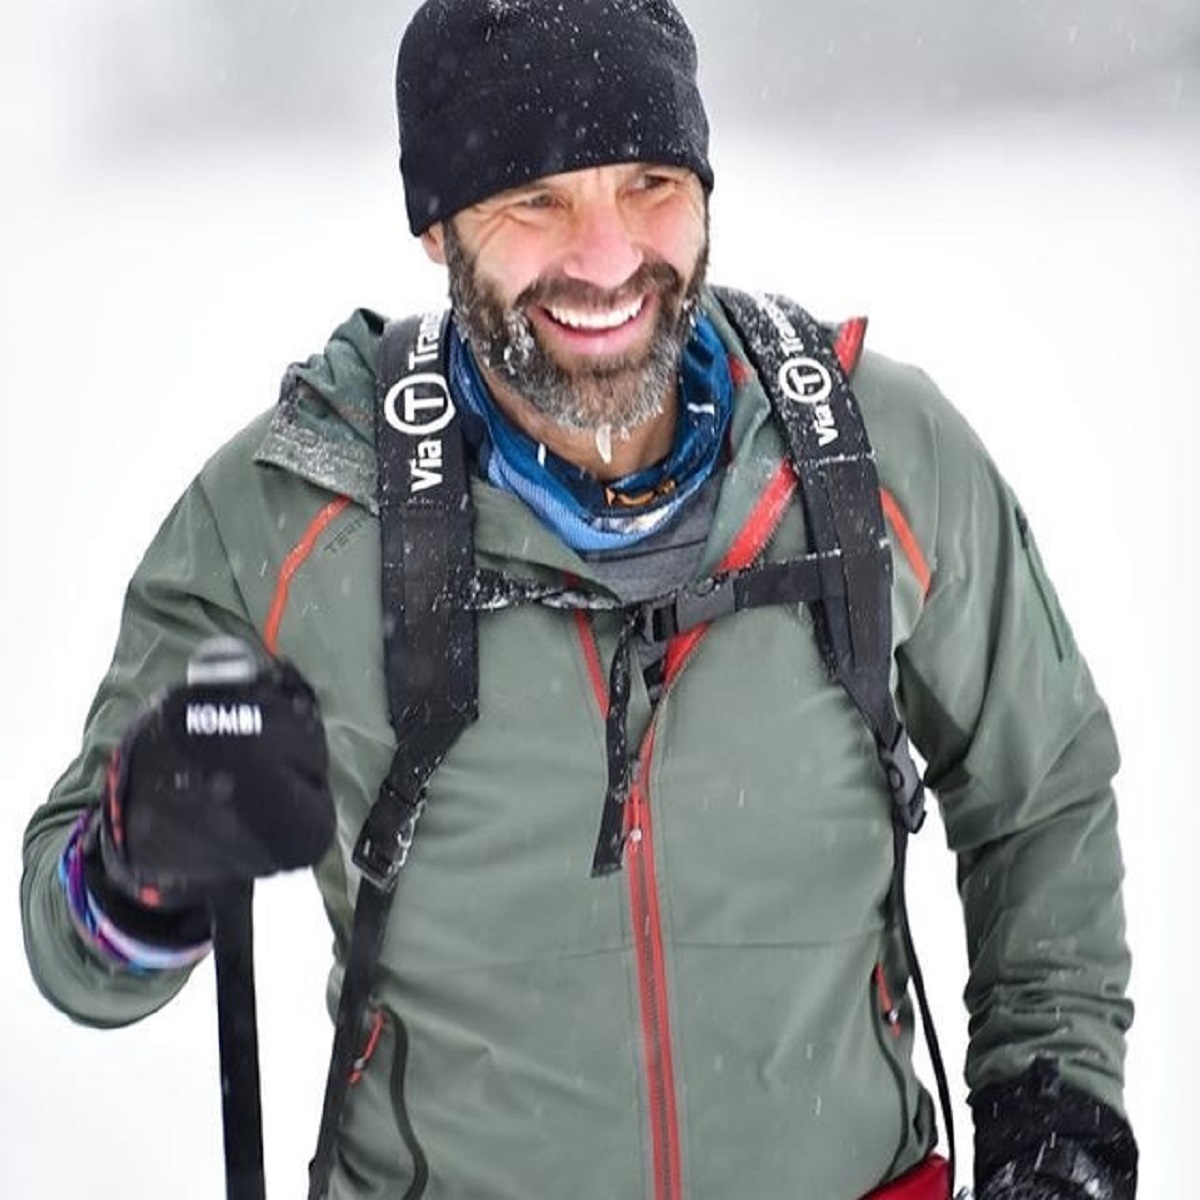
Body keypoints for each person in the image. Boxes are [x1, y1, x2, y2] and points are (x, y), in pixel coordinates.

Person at [20, 1, 1137, 1197]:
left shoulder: (874, 455)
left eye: (650, 182)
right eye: (535, 198)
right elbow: (72, 953)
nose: (606, 257)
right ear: (438, 224)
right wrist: (142, 858)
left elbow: (1042, 792)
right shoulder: (293, 514)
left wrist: (1056, 1128)